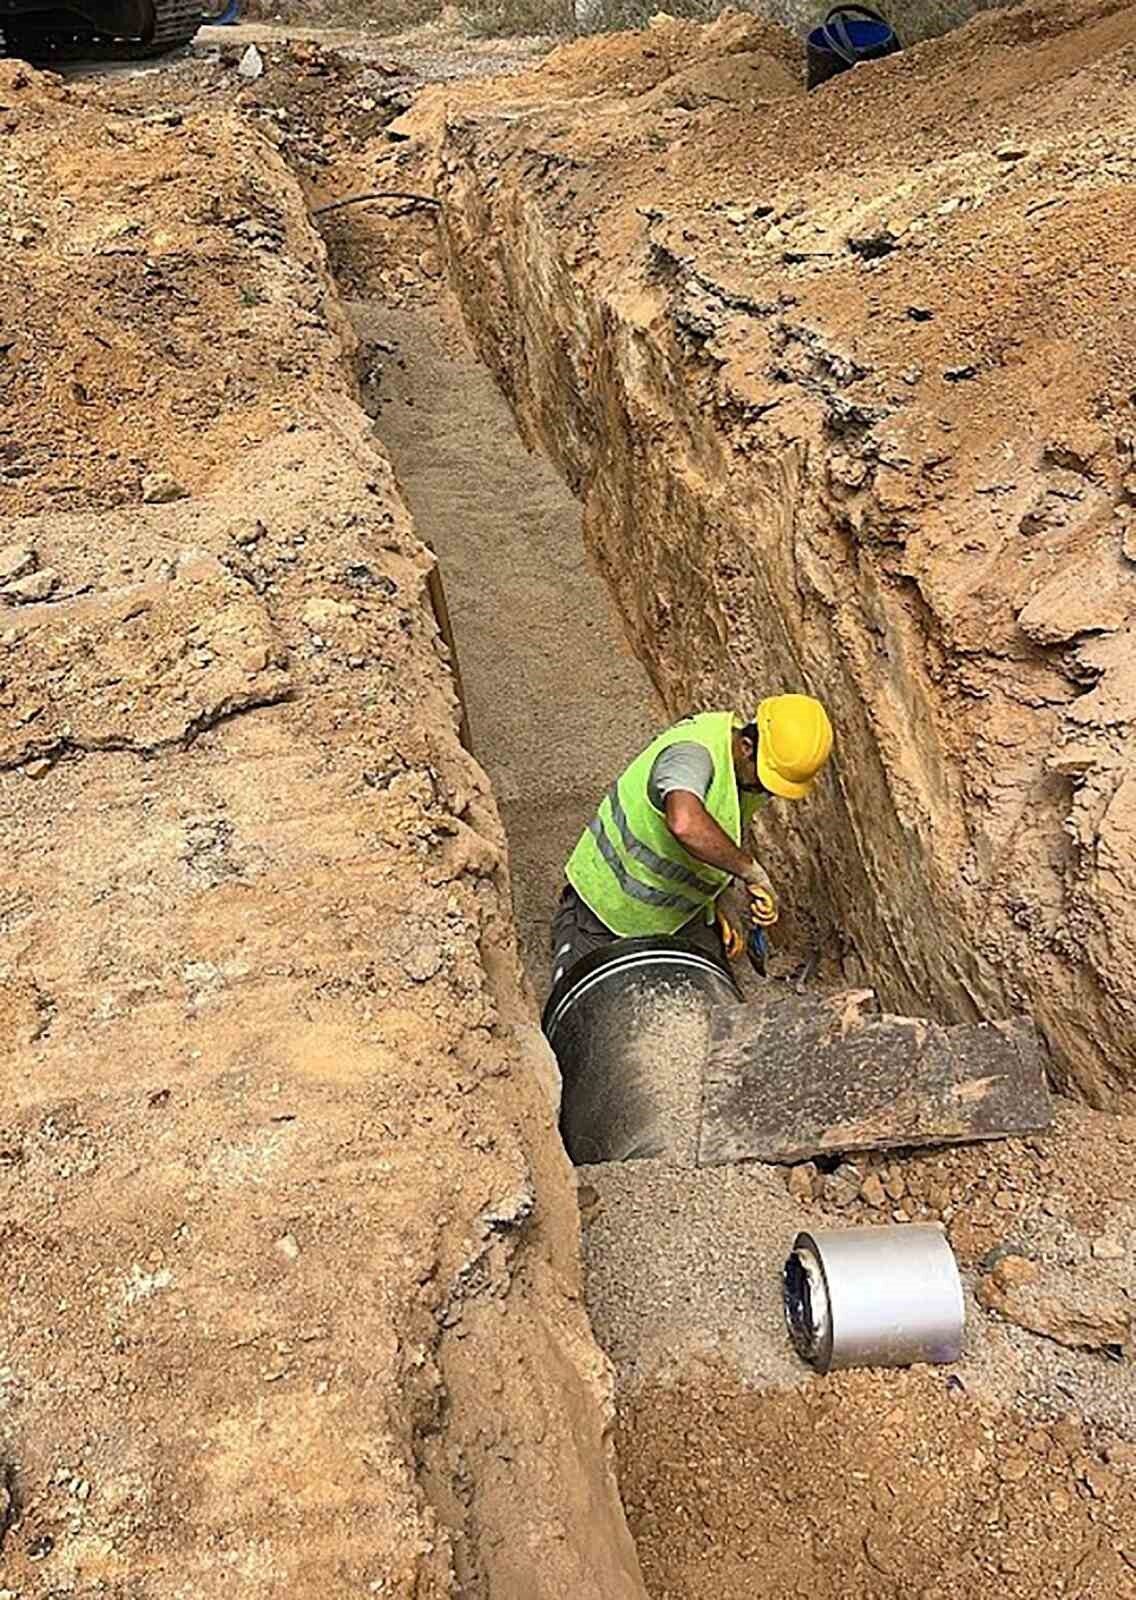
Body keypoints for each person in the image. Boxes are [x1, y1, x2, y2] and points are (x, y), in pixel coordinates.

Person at [551, 695, 833, 986]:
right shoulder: (692, 755)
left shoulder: (743, 771)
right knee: (581, 1003)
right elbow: (685, 823)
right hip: (608, 906)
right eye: (765, 782)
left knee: (715, 1007)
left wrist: (720, 901)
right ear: (746, 747)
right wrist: (750, 871)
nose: (767, 792)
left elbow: (720, 832)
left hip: (677, 917)